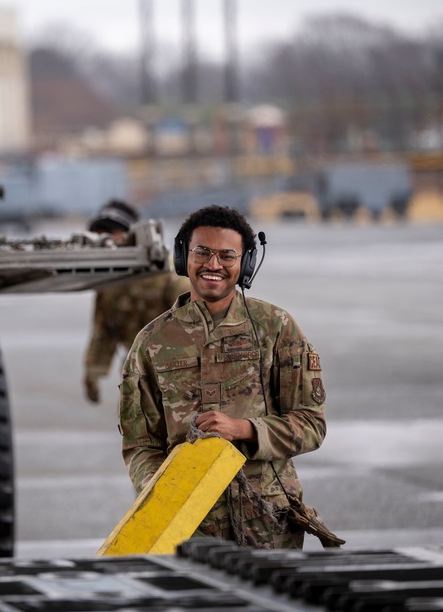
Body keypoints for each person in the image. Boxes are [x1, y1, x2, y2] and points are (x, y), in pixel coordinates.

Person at [118, 204, 330, 549]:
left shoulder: (276, 327)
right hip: (187, 527)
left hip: (268, 523)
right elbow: (140, 444)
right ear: (182, 255)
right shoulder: (152, 342)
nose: (213, 265)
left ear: (245, 263)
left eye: (227, 256)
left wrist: (243, 429)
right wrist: (163, 492)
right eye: (202, 252)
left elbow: (311, 424)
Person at [83, 200, 189, 404]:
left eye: (112, 232)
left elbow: (197, 321)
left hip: (175, 371)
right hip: (134, 372)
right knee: (133, 429)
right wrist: (93, 373)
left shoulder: (167, 274)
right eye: (98, 233)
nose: (104, 240)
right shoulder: (108, 282)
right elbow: (103, 331)